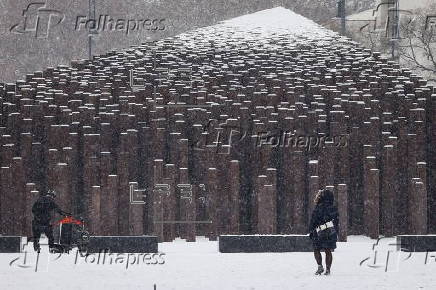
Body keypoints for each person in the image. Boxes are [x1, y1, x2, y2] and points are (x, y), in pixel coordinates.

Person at [308, 189, 339, 275]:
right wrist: (336, 232)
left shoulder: (318, 208)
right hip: (330, 232)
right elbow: (336, 221)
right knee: (328, 250)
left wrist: (311, 231)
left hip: (318, 232)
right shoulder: (333, 208)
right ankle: (328, 269)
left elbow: (313, 221)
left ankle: (320, 266)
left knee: (316, 249)